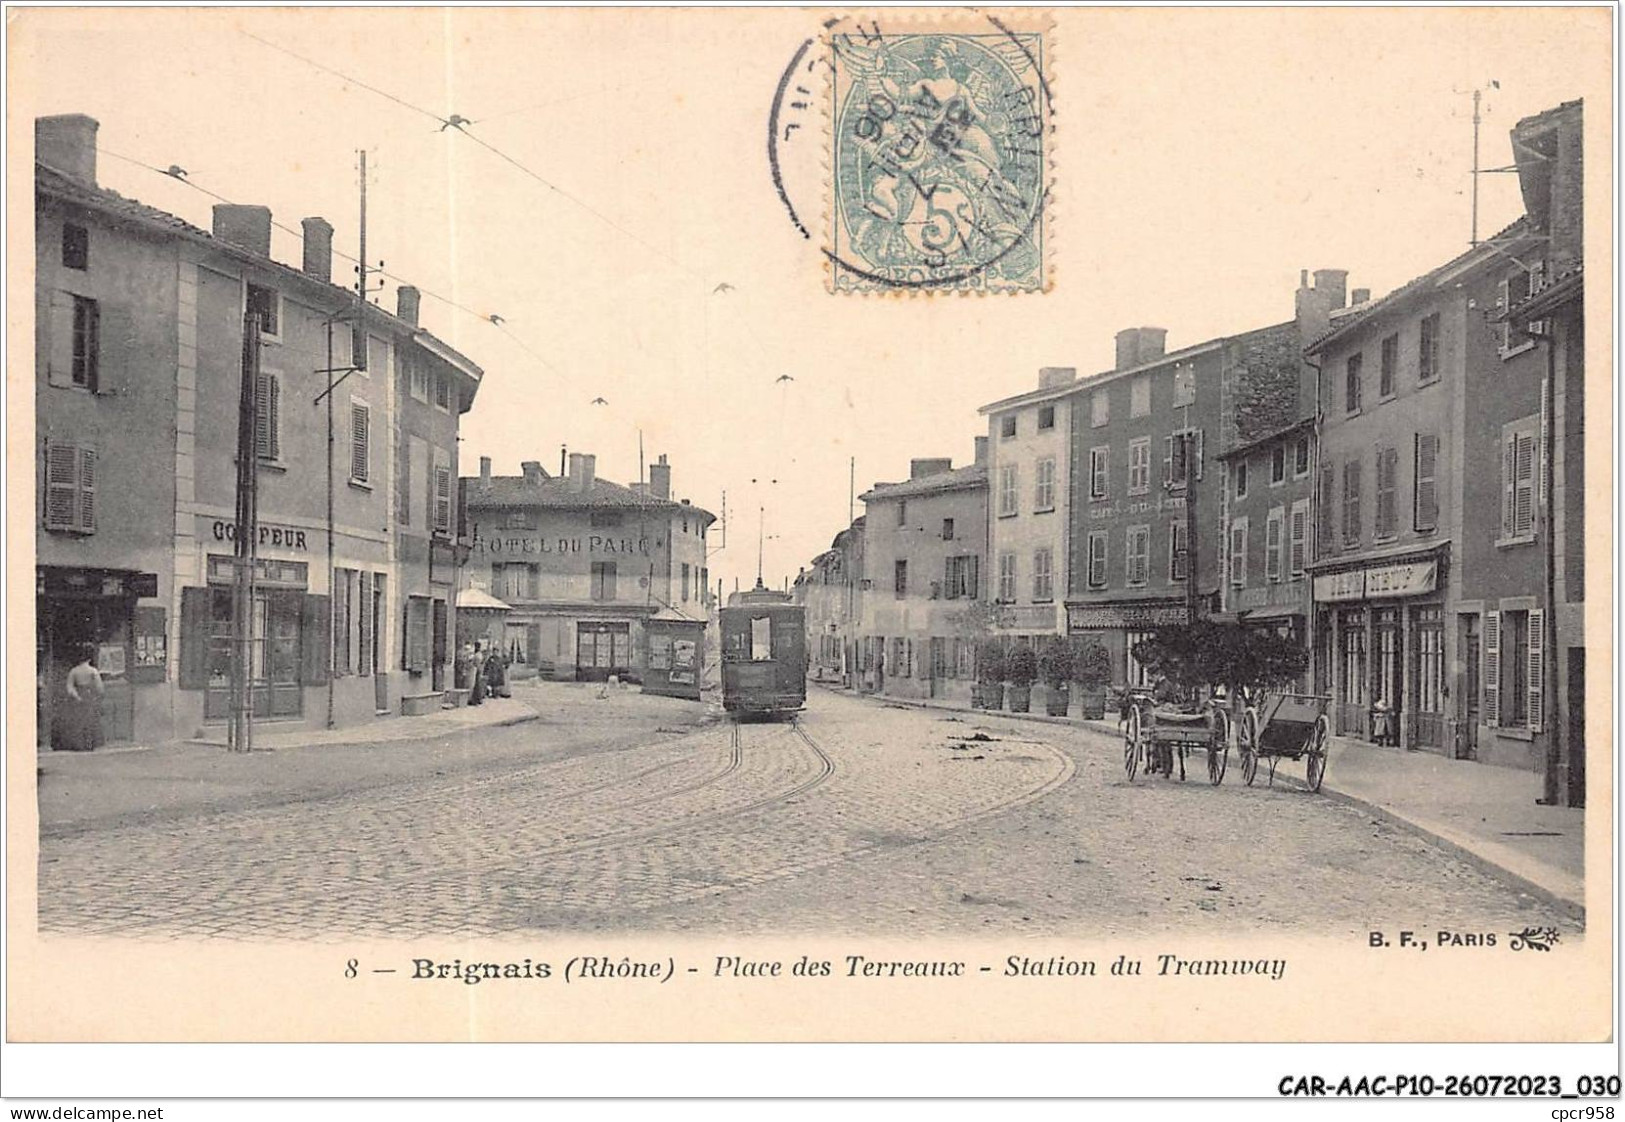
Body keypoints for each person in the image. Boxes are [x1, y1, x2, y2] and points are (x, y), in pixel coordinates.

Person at [61, 643, 105, 752]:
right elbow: (99, 687)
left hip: (79, 697)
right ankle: (90, 744)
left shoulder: (74, 671)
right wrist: (97, 696)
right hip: (90, 696)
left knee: (79, 721)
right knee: (90, 720)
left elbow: (69, 687)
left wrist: (76, 696)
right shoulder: (93, 671)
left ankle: (80, 745)